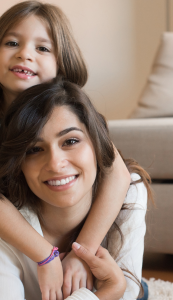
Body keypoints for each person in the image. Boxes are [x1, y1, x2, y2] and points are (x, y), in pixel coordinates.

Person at [0, 1, 133, 299]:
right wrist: (45, 255)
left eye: (42, 48)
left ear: (61, 66)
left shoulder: (68, 108)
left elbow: (118, 174)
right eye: (11, 42)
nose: (25, 54)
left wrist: (81, 254)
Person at [0, 77, 152, 300]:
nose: (55, 163)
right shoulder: (8, 223)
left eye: (70, 141)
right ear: (18, 164)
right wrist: (110, 292)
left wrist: (86, 254)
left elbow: (129, 293)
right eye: (34, 149)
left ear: (97, 143)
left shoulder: (130, 193)